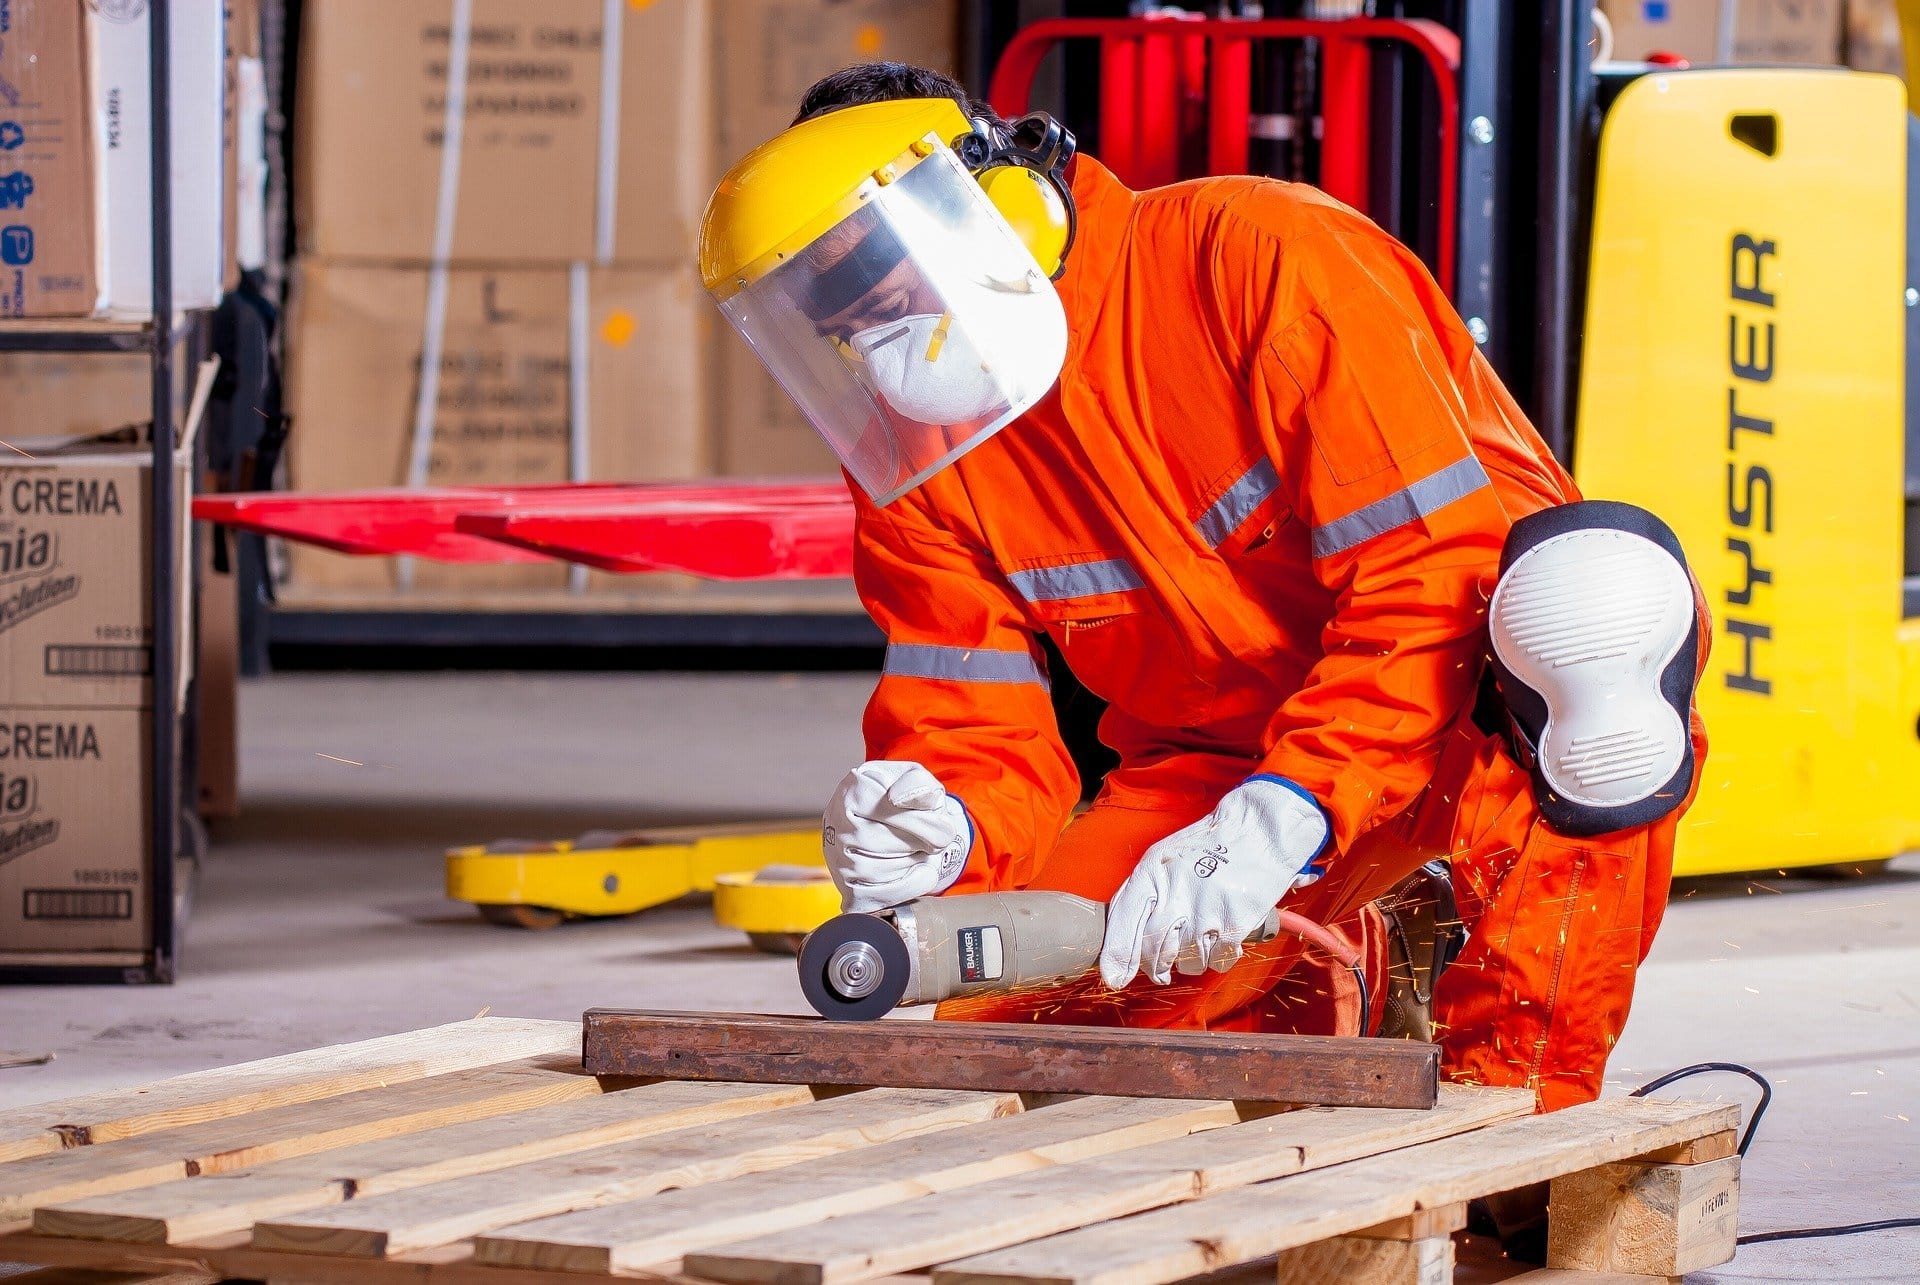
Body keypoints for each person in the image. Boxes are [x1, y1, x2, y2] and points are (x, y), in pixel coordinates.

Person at [699, 63, 1708, 1117]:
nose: (880, 342)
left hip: (1476, 709)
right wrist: (942, 823)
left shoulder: (1262, 258)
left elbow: (1430, 577)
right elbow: (970, 714)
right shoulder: (919, 451)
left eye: (889, 287)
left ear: (999, 201)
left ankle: (1513, 1111)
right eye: (842, 322)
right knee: (1027, 1046)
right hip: (1223, 763)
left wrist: (1285, 813)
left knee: (1594, 612)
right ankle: (1354, 958)